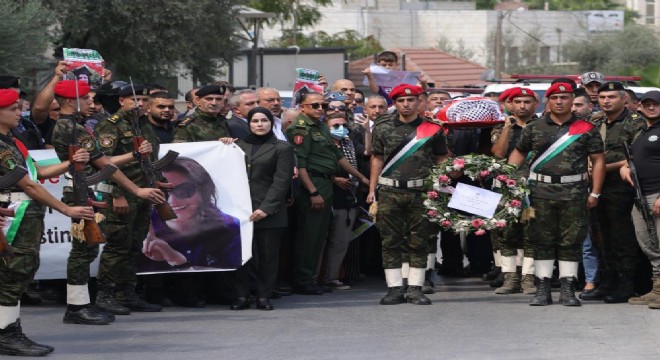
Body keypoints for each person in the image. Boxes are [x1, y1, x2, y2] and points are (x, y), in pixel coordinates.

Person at [50, 80, 166, 325]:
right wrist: (134, 188)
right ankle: (78, 306)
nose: (91, 103)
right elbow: (104, 163)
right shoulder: (72, 128)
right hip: (83, 191)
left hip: (88, 189)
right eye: (85, 98)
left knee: (88, 250)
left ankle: (85, 303)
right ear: (71, 101)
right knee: (84, 251)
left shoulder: (74, 126)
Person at [0, 89, 95, 356]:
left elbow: (38, 172)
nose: (20, 113)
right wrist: (66, 209)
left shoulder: (12, 141)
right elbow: (28, 185)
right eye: (12, 109)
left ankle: (9, 328)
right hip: (13, 214)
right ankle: (7, 333)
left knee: (21, 270)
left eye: (19, 108)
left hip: (28, 214)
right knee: (13, 273)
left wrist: (70, 163)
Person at [509, 82, 605, 307]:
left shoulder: (586, 129)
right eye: (555, 98)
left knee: (570, 242)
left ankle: (568, 288)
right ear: (547, 101)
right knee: (541, 240)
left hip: (574, 193)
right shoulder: (534, 127)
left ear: (572, 100)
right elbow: (518, 153)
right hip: (539, 193)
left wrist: (596, 193)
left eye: (564, 97)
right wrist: (508, 181)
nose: (559, 101)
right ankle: (543, 288)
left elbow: (598, 160)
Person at [367, 84, 448, 305]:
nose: (406, 104)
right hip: (390, 190)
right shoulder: (383, 128)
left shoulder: (432, 129)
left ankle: (415, 288)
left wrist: (447, 176)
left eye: (410, 100)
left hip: (420, 191)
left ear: (419, 102)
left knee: (418, 241)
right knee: (390, 240)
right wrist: (372, 189)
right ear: (395, 103)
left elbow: (442, 158)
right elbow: (376, 158)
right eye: (401, 100)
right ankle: (394, 288)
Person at [286, 92, 369, 295]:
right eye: (314, 105)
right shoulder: (300, 129)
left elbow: (339, 157)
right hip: (313, 183)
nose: (320, 109)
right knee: (309, 234)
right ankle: (303, 279)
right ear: (302, 107)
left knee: (319, 234)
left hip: (325, 182)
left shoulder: (322, 126)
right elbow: (301, 165)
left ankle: (312, 278)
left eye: (323, 105)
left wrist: (363, 179)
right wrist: (313, 192)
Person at [93, 83, 165, 313]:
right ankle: (106, 294)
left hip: (144, 192)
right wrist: (117, 193)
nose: (140, 104)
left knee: (134, 245)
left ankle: (127, 292)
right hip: (122, 194)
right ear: (122, 102)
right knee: (117, 245)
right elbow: (104, 163)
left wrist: (158, 180)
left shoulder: (144, 124)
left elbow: (149, 159)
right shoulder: (110, 125)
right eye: (134, 100)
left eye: (144, 100)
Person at [580, 82, 645, 304]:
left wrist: (602, 167)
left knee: (621, 236)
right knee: (600, 235)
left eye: (612, 97)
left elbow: (637, 155)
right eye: (603, 97)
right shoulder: (595, 121)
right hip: (595, 186)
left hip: (621, 185)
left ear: (623, 99)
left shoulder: (635, 122)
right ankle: (608, 280)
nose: (606, 101)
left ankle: (627, 283)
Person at [228, 107, 294, 310]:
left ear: (271, 123)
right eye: (255, 121)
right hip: (241, 211)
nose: (259, 124)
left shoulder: (282, 148)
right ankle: (241, 296)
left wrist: (266, 208)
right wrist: (224, 143)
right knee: (242, 256)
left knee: (268, 256)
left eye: (264, 120)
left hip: (269, 210)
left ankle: (263, 296)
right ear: (249, 124)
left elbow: (281, 181)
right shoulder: (238, 146)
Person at [140, 157, 242, 271]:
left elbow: (232, 274)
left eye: (184, 190)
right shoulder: (141, 227)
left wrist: (177, 261)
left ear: (204, 191)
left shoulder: (231, 228)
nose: (172, 201)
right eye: (161, 192)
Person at [490, 87, 538, 295]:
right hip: (507, 190)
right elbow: (498, 154)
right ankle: (510, 278)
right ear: (511, 104)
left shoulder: (543, 127)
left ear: (535, 103)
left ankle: (528, 279)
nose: (522, 106)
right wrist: (507, 129)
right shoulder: (501, 128)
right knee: (506, 235)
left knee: (531, 235)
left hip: (534, 189)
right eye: (517, 102)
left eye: (527, 102)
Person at [620, 90, 660, 310]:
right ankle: (657, 288)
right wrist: (626, 167)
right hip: (641, 195)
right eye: (647, 104)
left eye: (656, 104)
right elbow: (634, 159)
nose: (651, 107)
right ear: (640, 106)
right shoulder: (643, 132)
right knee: (648, 243)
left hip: (657, 194)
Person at [321, 112, 360, 291]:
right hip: (325, 198)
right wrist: (333, 178)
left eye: (344, 125)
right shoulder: (321, 145)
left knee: (340, 242)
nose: (341, 129)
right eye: (335, 126)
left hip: (347, 199)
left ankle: (332, 278)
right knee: (319, 242)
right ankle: (313, 278)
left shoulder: (348, 143)